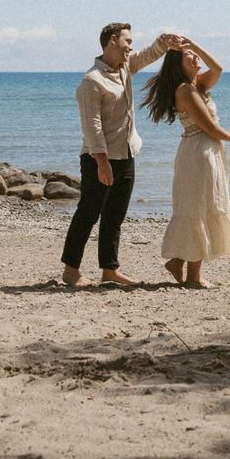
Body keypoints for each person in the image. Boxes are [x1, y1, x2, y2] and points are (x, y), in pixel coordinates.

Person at [61, 22, 181, 287]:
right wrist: (102, 163)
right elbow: (91, 127)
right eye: (128, 41)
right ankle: (71, 271)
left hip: (127, 153)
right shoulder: (92, 81)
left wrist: (164, 41)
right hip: (99, 159)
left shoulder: (124, 67)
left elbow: (148, 54)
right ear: (112, 41)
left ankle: (110, 270)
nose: (131, 47)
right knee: (88, 214)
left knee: (114, 216)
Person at [142, 37, 230, 288]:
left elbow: (218, 69)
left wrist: (195, 46)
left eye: (195, 55)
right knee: (198, 209)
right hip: (198, 151)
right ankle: (194, 277)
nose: (196, 58)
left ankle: (178, 263)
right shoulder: (185, 90)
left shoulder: (197, 83)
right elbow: (208, 127)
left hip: (205, 150)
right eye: (190, 56)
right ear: (179, 64)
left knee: (204, 206)